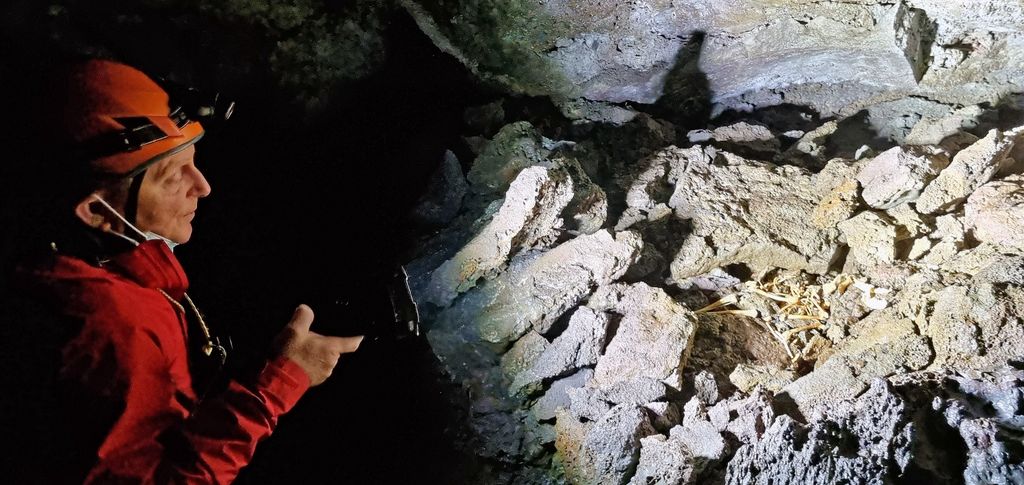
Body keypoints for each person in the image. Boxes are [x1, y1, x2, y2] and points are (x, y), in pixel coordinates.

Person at [3, 59, 364, 484]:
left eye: (192, 158)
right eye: (172, 176)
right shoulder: (119, 328)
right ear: (94, 212)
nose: (202, 185)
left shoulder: (62, 262)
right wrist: (282, 382)